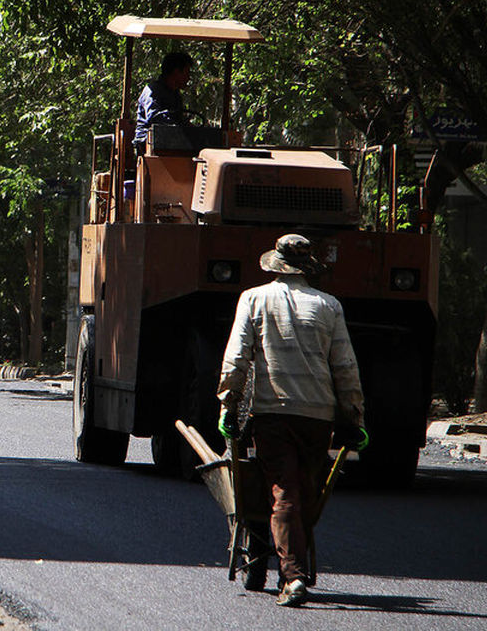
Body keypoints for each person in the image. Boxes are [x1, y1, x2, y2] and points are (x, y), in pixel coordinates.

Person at [217, 233, 367, 608]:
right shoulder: (329, 305)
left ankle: (294, 577)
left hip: (272, 414)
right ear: (307, 268)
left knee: (283, 493)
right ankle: (295, 562)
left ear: (275, 265)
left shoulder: (253, 298)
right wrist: (354, 417)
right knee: (303, 490)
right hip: (318, 418)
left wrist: (228, 407)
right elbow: (345, 367)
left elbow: (237, 360)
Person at [133, 50, 193, 153]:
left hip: (169, 140)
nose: (188, 78)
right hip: (147, 142)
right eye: (186, 73)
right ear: (176, 72)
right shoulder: (152, 90)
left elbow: (178, 118)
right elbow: (154, 117)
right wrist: (177, 127)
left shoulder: (175, 95)